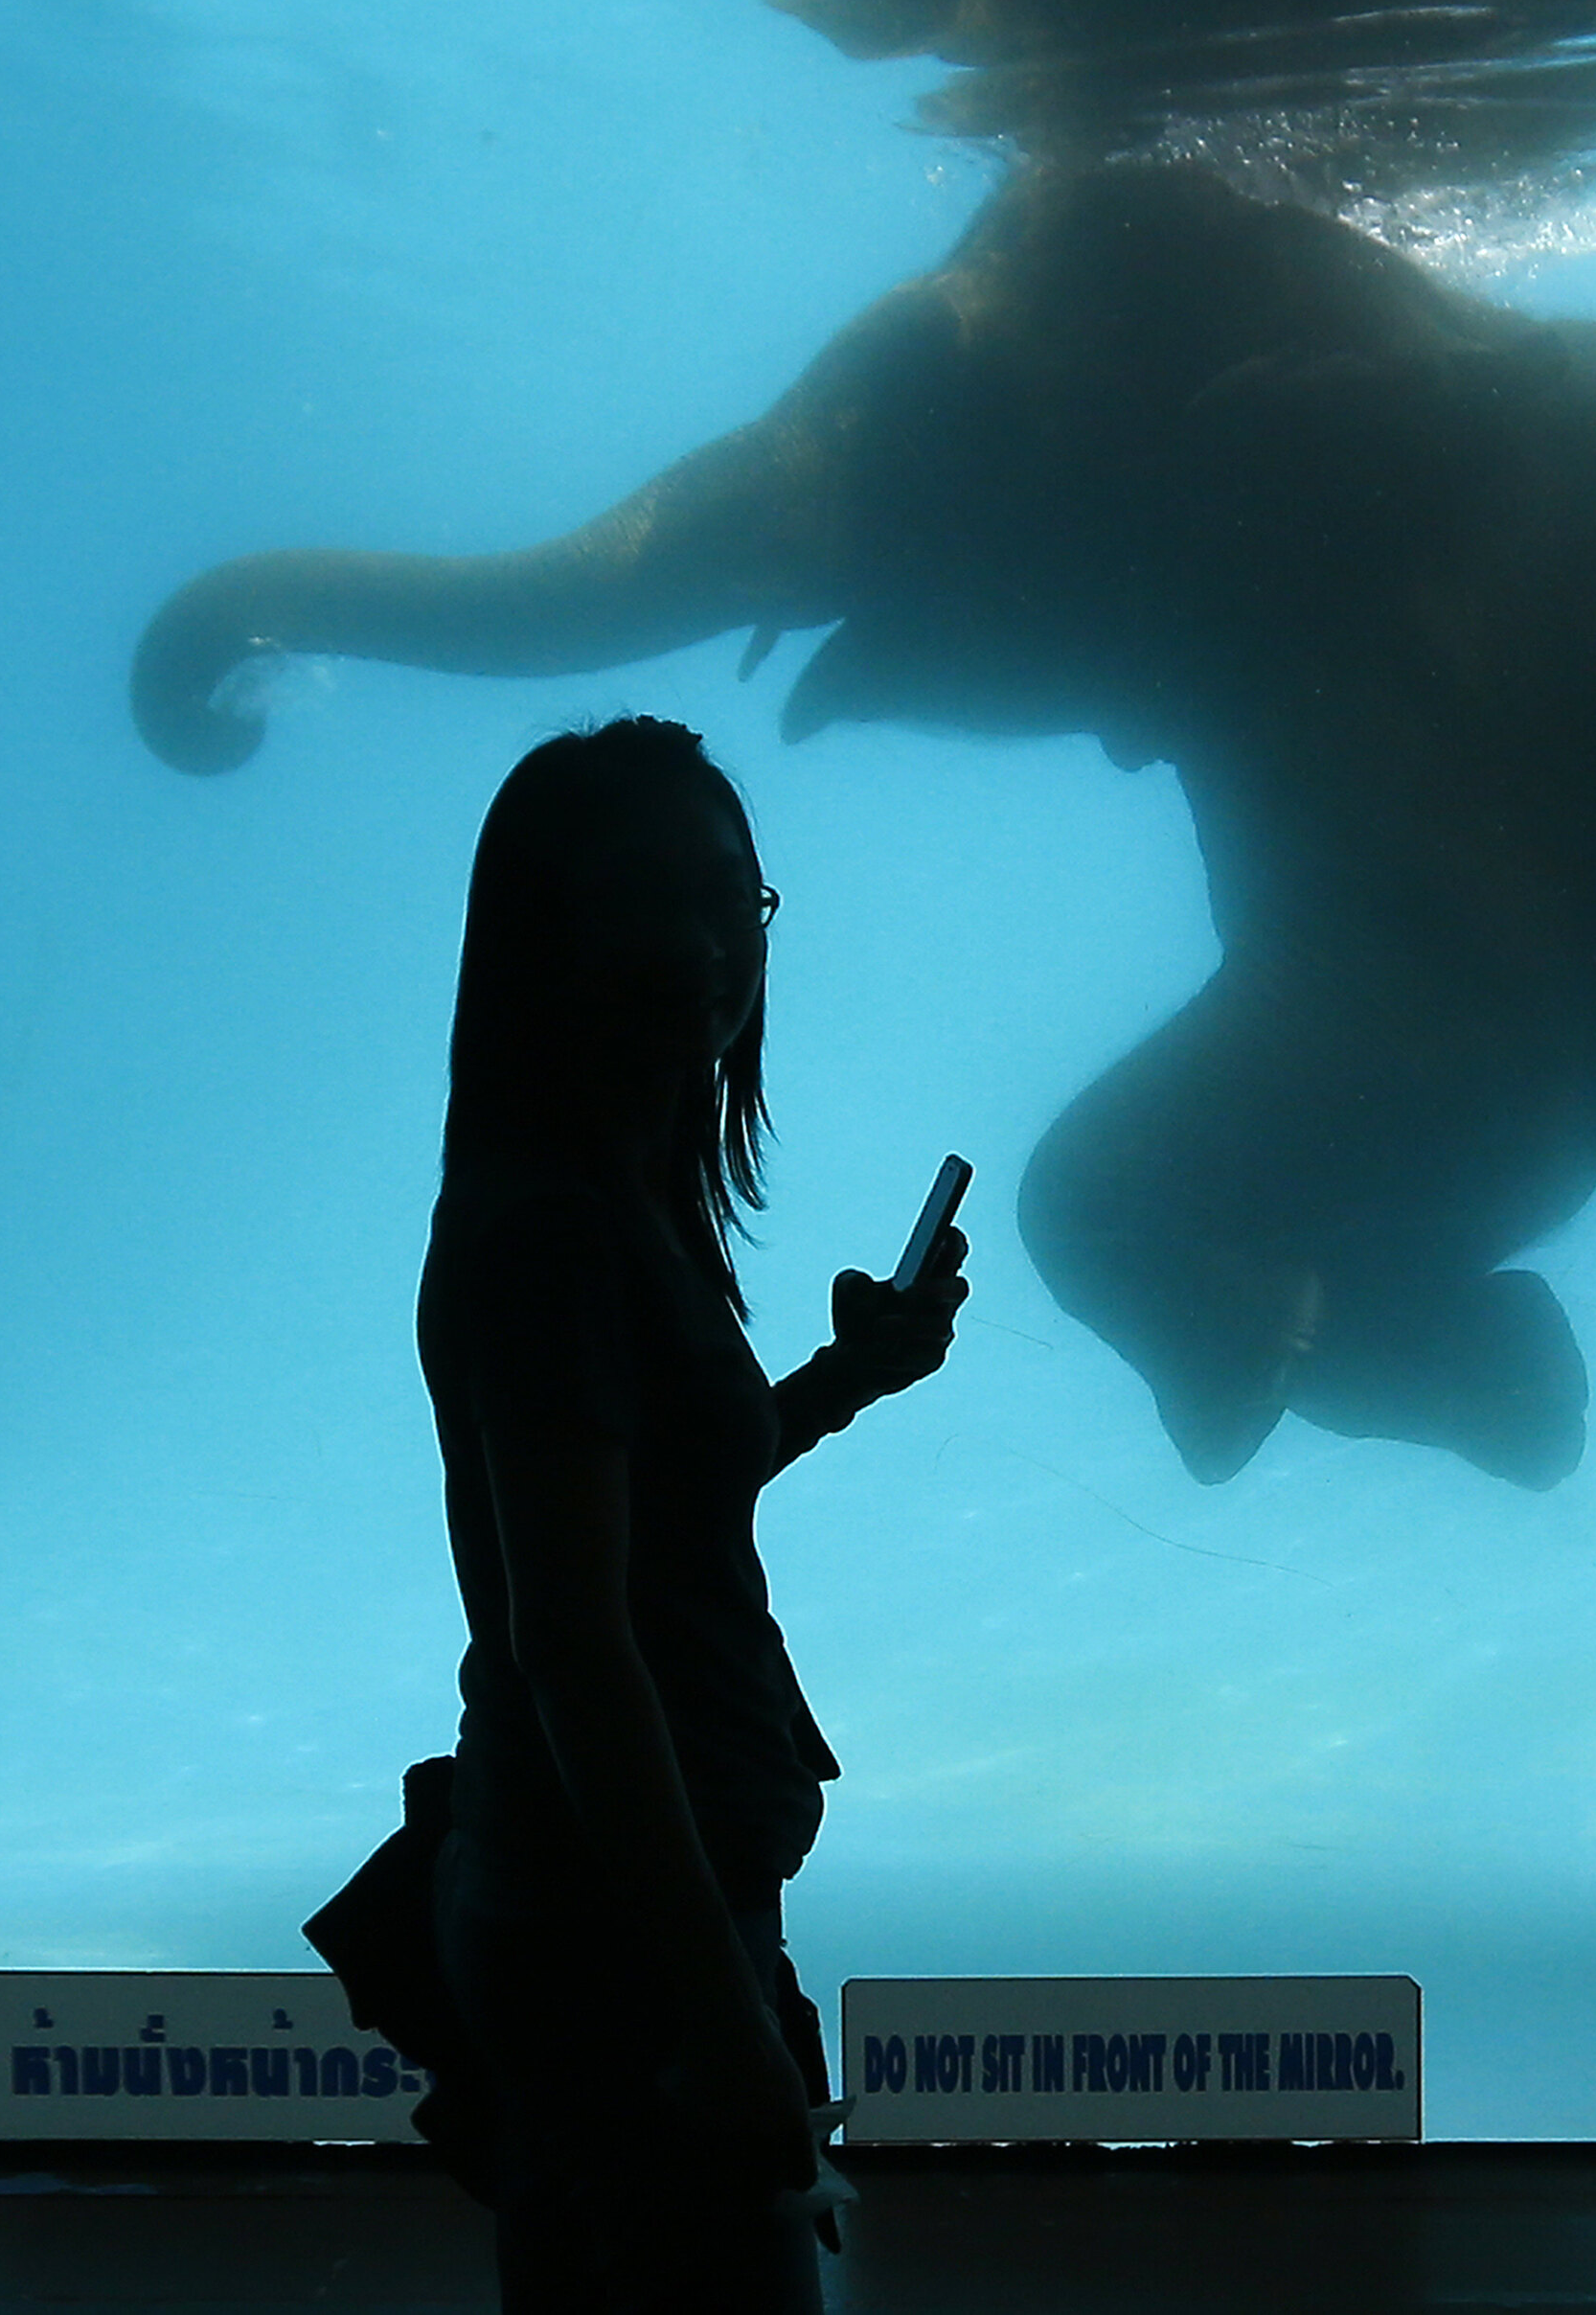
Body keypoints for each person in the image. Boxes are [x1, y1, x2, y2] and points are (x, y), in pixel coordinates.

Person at [421, 718, 968, 2312]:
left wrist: (837, 1383)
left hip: (629, 1911)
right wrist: (720, 2018)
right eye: (651, 900)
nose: (710, 946)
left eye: (735, 899)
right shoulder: (554, 1236)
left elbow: (646, 1514)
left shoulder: (616, 1194)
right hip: (619, 1937)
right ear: (551, 934)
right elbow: (577, 1639)